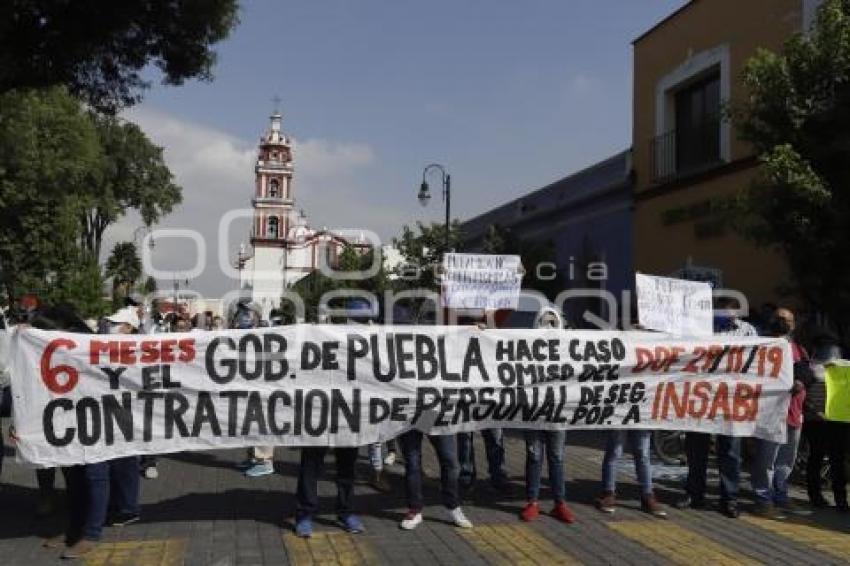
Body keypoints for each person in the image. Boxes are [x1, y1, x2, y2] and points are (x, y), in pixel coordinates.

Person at [62, 306, 143, 559]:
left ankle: (93, 531)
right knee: (83, 474)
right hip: (89, 418)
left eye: (116, 324)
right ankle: (80, 527)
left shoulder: (140, 349)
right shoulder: (93, 346)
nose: (110, 326)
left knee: (101, 472)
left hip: (114, 420)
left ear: (129, 328)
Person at [676, 298, 756, 519]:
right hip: (702, 397)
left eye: (730, 312)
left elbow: (758, 359)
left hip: (731, 399)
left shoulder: (748, 331)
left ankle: (729, 499)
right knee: (696, 448)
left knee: (730, 451)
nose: (726, 316)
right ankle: (694, 494)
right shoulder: (701, 330)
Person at [750, 307, 812, 518]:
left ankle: (781, 495)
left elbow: (806, 371)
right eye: (779, 318)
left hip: (793, 412)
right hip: (771, 412)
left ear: (793, 325)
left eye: (787, 320)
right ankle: (762, 499)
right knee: (767, 458)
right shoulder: (763, 345)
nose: (783, 322)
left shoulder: (797, 348)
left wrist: (800, 380)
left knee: (786, 459)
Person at [230, 299, 277, 478]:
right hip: (248, 384)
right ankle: (253, 457)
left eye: (246, 312)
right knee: (250, 423)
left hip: (262, 387)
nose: (242, 316)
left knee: (261, 422)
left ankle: (265, 461)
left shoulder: (265, 333)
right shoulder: (243, 332)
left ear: (256, 315)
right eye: (241, 312)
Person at [399, 430, 472, 530]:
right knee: (412, 464)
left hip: (434, 416)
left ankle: (452, 505)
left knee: (449, 460)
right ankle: (414, 509)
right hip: (410, 419)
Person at [595, 430, 667, 518]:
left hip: (641, 420)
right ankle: (608, 493)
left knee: (643, 454)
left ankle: (647, 495)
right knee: (615, 451)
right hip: (623, 420)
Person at [520, 430, 575, 523]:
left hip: (557, 420)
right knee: (534, 457)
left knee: (557, 458)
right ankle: (532, 503)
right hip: (533, 420)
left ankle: (560, 503)